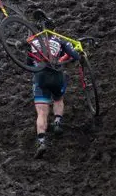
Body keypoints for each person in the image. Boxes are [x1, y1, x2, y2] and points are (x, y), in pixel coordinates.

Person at [28, 26, 80, 158]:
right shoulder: (59, 40)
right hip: (56, 75)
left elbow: (28, 64)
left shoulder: (33, 42)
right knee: (58, 99)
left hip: (40, 77)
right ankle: (57, 122)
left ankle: (41, 141)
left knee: (41, 112)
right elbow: (75, 55)